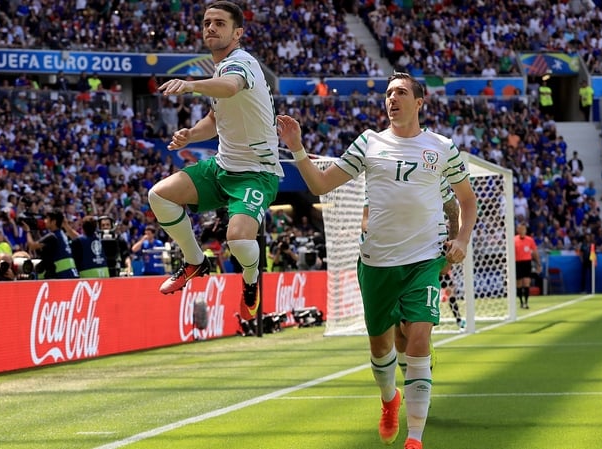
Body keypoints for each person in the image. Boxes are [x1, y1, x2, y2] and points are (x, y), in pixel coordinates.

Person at [277, 72, 478, 449]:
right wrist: (297, 148)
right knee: (381, 347)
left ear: (419, 102)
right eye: (388, 93)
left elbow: (467, 200)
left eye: (400, 92)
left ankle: (415, 438)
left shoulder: (442, 147)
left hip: (424, 260)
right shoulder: (369, 143)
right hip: (376, 261)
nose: (392, 98)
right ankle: (389, 400)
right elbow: (320, 186)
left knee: (419, 341)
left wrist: (462, 238)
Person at [150, 1, 282, 321]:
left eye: (219, 23)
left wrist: (191, 85)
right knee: (160, 195)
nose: (210, 27)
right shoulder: (220, 68)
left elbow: (230, 87)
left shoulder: (241, 63)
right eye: (207, 22)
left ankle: (250, 282)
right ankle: (195, 261)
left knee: (237, 239)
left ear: (237, 33)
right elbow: (215, 115)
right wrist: (192, 135)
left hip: (256, 173)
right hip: (223, 165)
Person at [24, 210, 80, 279]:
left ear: (53, 222)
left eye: (47, 219)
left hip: (62, 275)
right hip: (71, 273)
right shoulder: (63, 234)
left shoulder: (52, 236)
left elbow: (32, 246)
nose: (45, 221)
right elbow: (78, 238)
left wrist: (28, 231)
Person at [514, 223, 540, 309]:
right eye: (520, 229)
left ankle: (526, 302)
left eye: (523, 229)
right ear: (518, 230)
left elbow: (535, 252)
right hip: (517, 262)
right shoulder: (514, 240)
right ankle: (521, 302)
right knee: (519, 283)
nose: (522, 231)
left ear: (525, 230)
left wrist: (538, 263)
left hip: (527, 262)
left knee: (526, 282)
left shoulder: (530, 240)